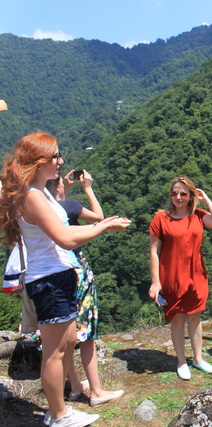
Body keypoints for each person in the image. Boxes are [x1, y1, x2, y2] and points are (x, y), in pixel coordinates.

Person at [0, 132, 131, 426]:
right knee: (55, 352)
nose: (60, 161)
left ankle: (61, 409)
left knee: (66, 343)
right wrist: (104, 227)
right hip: (49, 280)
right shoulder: (32, 197)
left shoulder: (40, 191)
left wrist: (102, 223)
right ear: (38, 162)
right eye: (55, 156)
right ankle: (58, 414)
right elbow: (64, 238)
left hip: (58, 277)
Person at [46, 172, 124, 406]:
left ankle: (75, 386)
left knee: (65, 335)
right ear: (59, 185)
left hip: (51, 273)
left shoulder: (42, 210)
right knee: (86, 333)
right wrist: (88, 188)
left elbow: (61, 212)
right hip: (77, 271)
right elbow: (97, 217)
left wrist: (64, 189)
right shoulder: (69, 206)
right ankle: (97, 392)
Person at [148, 176, 212, 380]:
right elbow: (154, 252)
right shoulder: (161, 219)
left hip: (196, 274)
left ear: (191, 196)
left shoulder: (198, 216)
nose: (179, 197)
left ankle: (198, 359)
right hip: (171, 276)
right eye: (174, 193)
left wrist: (206, 200)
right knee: (177, 318)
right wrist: (156, 282)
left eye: (183, 193)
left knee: (195, 316)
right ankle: (182, 361)